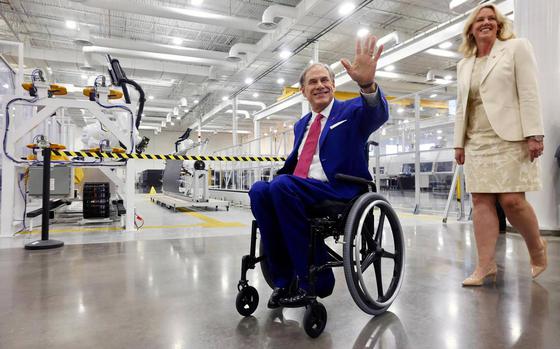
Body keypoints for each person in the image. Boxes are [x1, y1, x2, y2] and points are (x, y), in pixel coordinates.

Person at [249, 35, 389, 307]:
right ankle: (282, 280)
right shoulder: (302, 124)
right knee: (259, 190)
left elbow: (377, 114)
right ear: (303, 91)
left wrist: (367, 84)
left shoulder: (350, 112)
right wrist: (279, 176)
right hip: (299, 188)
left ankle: (316, 279)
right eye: (312, 82)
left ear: (334, 86)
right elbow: (295, 162)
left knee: (281, 187)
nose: (320, 85)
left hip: (339, 190)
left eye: (325, 80)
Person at [453, 4, 547, 286]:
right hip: (476, 139)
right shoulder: (464, 64)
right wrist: (458, 143)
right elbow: (461, 107)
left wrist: (535, 134)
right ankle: (485, 265)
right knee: (481, 202)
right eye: (479, 19)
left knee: (512, 201)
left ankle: (537, 248)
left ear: (499, 24)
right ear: (470, 28)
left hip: (510, 136)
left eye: (491, 19)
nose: (486, 22)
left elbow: (528, 91)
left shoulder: (516, 48)